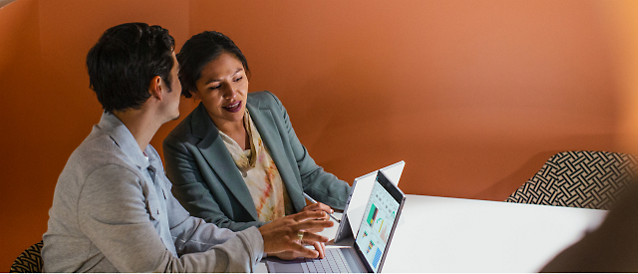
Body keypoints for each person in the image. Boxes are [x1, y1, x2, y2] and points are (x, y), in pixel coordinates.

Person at [42, 23, 333, 273]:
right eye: (177, 71)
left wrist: (268, 239)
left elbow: (186, 232)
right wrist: (259, 242)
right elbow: (166, 271)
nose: (183, 85)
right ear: (158, 87)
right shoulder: (108, 175)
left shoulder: (139, 153)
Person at [162, 31, 352, 232]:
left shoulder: (270, 107)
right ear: (194, 91)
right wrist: (288, 229)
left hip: (300, 240)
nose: (232, 94)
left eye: (237, 78)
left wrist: (358, 203)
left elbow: (308, 174)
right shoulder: (181, 146)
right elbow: (213, 228)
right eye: (216, 87)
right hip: (251, 255)